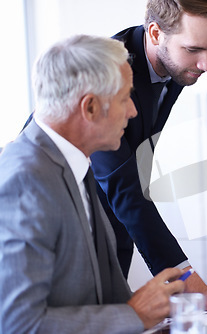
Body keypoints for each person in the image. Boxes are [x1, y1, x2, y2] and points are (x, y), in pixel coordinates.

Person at [89, 0, 207, 312]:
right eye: (194, 50)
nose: (206, 64)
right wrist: (194, 288)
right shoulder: (107, 73)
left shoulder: (171, 65)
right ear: (156, 33)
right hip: (65, 221)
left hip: (110, 222)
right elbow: (125, 187)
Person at [0, 35, 186, 333]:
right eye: (126, 98)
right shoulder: (25, 180)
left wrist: (149, 319)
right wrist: (134, 316)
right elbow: (19, 324)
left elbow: (107, 299)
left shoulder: (75, 164)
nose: (133, 112)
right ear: (89, 108)